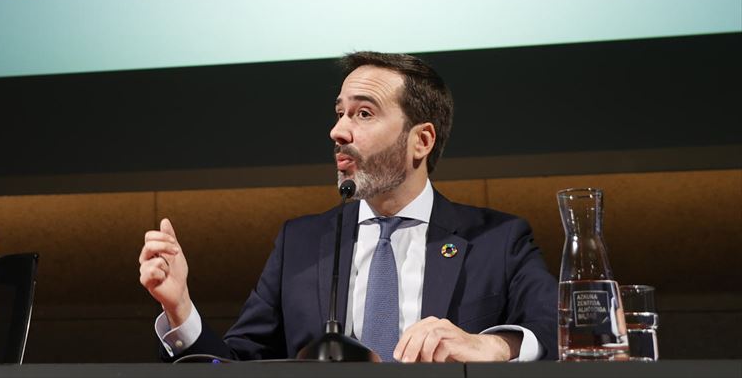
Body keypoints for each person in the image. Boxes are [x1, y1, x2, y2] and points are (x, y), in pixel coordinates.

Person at [138, 51, 558, 363]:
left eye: (363, 113)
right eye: (340, 113)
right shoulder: (301, 244)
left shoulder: (497, 240)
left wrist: (490, 344)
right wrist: (180, 310)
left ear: (422, 141)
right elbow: (235, 367)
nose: (338, 131)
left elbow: (564, 332)